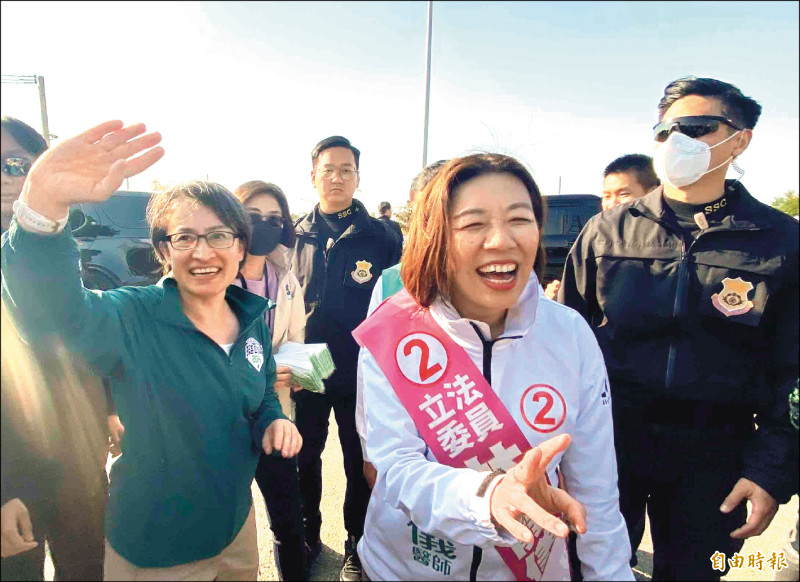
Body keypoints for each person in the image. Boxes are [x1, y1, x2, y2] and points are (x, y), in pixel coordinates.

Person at [1, 120, 303, 580]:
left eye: (220, 235)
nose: (203, 252)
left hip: (234, 532)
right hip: (156, 552)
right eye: (184, 238)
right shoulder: (132, 316)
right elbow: (55, 318)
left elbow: (259, 393)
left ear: (240, 247)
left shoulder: (251, 318)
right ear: (164, 251)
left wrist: (274, 419)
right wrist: (42, 208)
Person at [558, 76, 799, 580]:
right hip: (608, 447)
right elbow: (564, 344)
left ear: (740, 139)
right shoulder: (607, 230)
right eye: (664, 129)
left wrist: (772, 471)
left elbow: (793, 372)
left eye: (694, 127)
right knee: (585, 569)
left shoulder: (781, 241)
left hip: (714, 457)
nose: (675, 142)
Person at [354, 153, 633, 580]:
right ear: (435, 238)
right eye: (473, 224)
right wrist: (488, 497)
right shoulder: (396, 330)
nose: (501, 240)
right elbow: (394, 468)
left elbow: (596, 491)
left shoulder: (570, 334)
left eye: (520, 219)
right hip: (402, 568)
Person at [289, 135, 402, 581]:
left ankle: (359, 543)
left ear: (358, 176)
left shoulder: (382, 236)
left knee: (359, 461)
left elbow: (399, 304)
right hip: (305, 366)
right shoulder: (295, 234)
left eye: (346, 170)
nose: (336, 178)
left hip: (362, 369)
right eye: (328, 169)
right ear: (313, 175)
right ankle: (308, 534)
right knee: (305, 454)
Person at [1, 115, 108, 582]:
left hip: (76, 460)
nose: (7, 178)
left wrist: (106, 408)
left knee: (87, 569)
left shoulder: (55, 242)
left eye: (16, 163)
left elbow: (74, 340)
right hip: (12, 473)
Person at [356, 159, 448, 490]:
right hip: (406, 446)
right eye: (431, 206)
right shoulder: (394, 283)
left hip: (473, 440)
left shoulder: (499, 282)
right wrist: (369, 450)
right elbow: (370, 369)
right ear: (414, 204)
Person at [232, 180, 308, 580]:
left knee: (287, 517)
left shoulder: (287, 278)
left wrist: (297, 369)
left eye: (274, 219)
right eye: (253, 217)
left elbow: (295, 337)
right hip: (225, 418)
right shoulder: (214, 274)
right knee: (228, 526)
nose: (264, 225)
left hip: (276, 411)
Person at [544, 154, 659, 300]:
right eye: (607, 196)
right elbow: (576, 303)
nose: (612, 204)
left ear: (654, 193)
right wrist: (558, 301)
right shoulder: (595, 238)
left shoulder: (678, 240)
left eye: (623, 194)